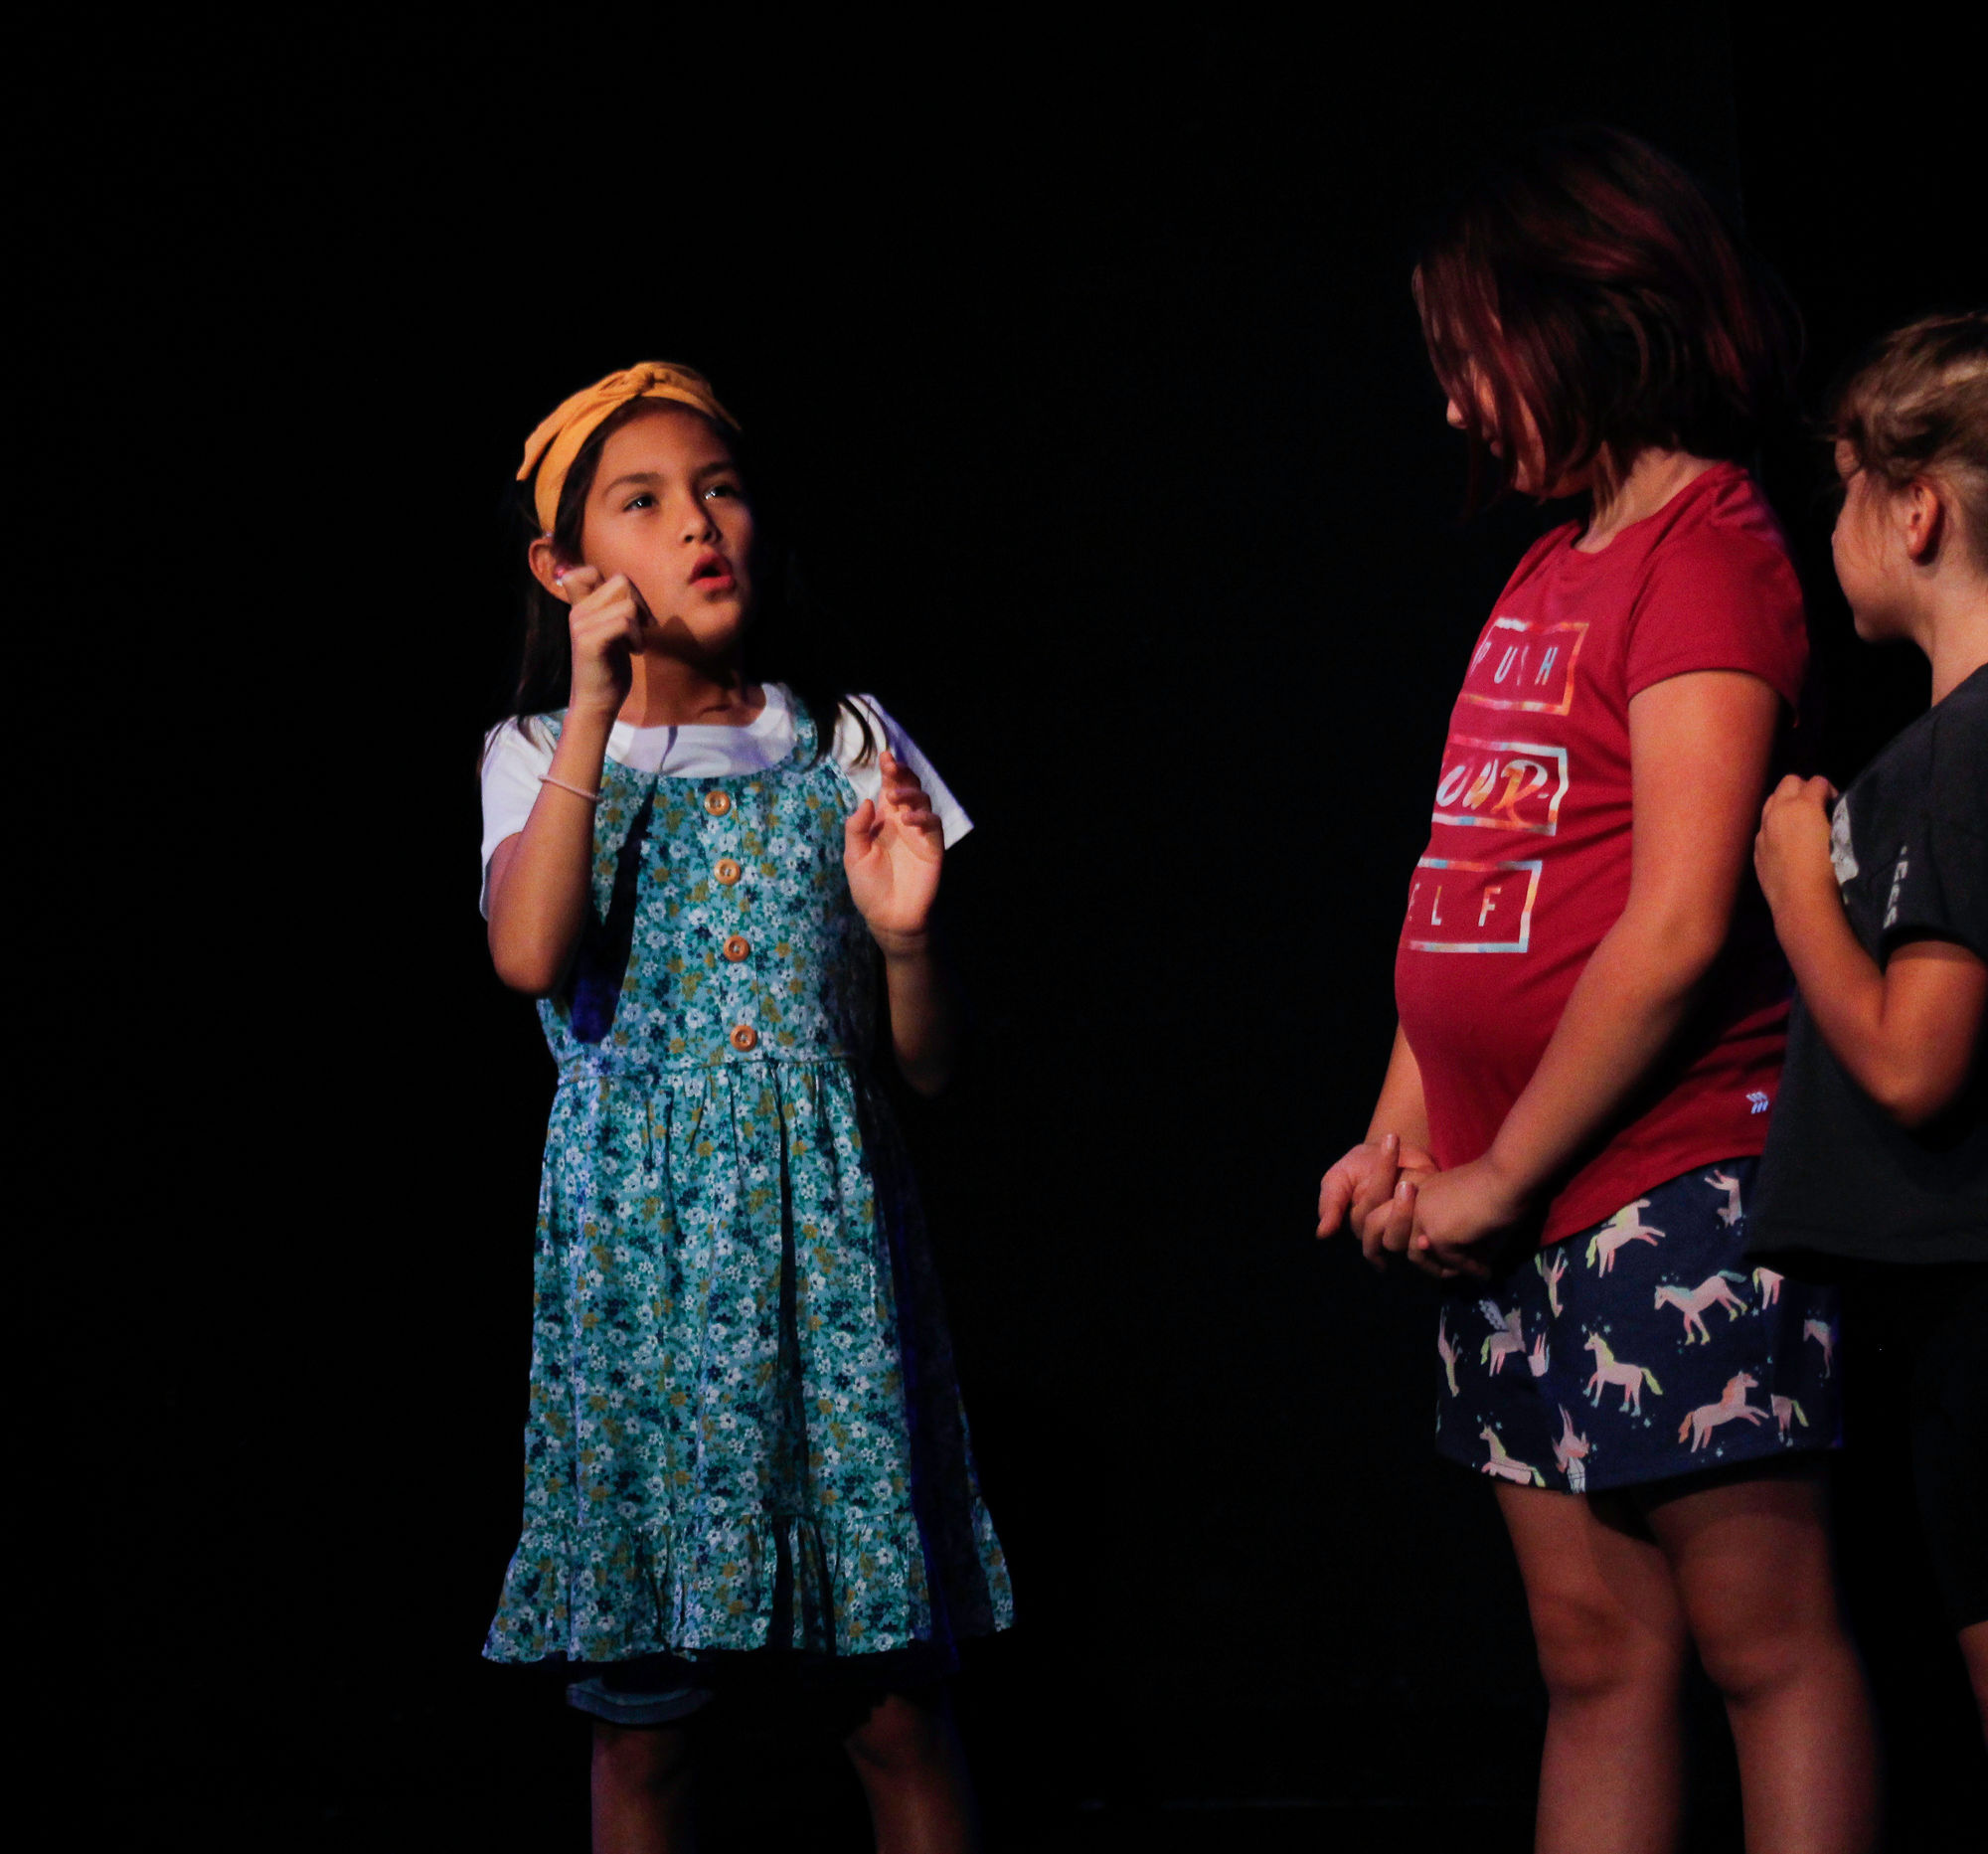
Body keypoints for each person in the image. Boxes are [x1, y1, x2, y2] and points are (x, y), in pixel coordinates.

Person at [1315, 131, 1878, 1852]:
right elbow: (1467, 895)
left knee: (1758, 1640)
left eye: (1474, 354)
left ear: (1589, 322)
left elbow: (1678, 923)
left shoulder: (1707, 553)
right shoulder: (1544, 570)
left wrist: (1507, 1169)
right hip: (1510, 1200)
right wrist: (1399, 1132)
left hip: (1671, 1186)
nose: (1462, 402)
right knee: (1589, 1652)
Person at [477, 361, 1012, 1853]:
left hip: (822, 1282)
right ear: (567, 565)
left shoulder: (840, 735)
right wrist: (593, 708)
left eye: (719, 487)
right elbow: (530, 951)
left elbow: (932, 1063)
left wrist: (907, 937)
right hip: (638, 1291)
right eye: (642, 502)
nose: (700, 524)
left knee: (897, 1710)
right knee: (644, 1729)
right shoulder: (533, 755)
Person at [1748, 311, 1987, 1742]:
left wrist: (1798, 894)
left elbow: (1913, 1055)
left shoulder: (1963, 752)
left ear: (1917, 510)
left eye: (1843, 489)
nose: (1828, 526)